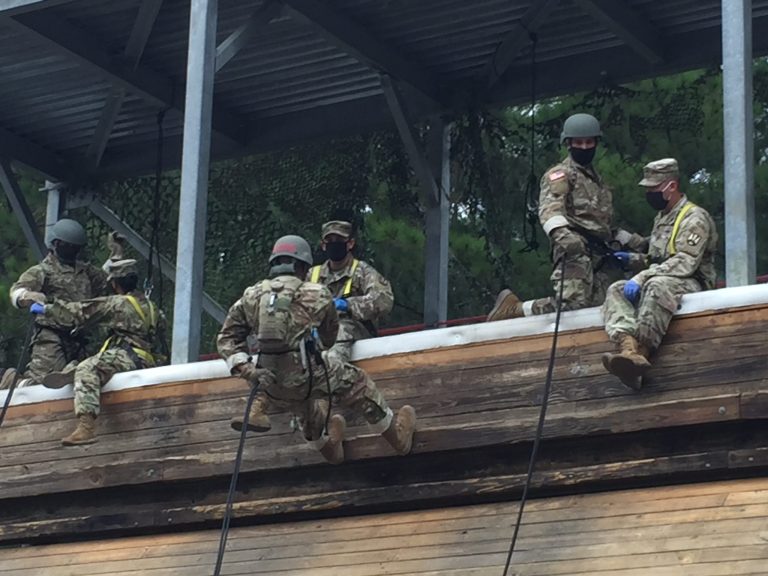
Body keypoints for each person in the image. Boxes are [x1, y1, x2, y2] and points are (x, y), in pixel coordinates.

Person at [217, 235, 415, 465]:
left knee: (304, 405)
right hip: (307, 375)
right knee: (358, 383)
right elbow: (330, 339)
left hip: (266, 383)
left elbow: (226, 339)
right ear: (302, 266)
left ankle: (330, 450)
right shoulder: (317, 293)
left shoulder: (250, 295)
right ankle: (398, 439)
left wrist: (248, 370)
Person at [487, 113, 645, 321]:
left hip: (600, 255)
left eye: (589, 142)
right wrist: (568, 240)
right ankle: (515, 309)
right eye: (579, 142)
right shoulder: (561, 175)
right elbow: (550, 211)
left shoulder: (598, 182)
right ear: (569, 144)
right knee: (572, 307)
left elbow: (604, 226)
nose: (585, 147)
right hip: (573, 251)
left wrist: (637, 242)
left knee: (599, 307)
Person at [601, 158, 717, 390]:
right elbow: (658, 260)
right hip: (664, 276)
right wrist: (633, 261)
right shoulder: (662, 218)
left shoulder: (694, 218)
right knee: (616, 289)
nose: (649, 193)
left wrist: (642, 277)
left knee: (656, 286)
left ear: (671, 186)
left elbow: (685, 262)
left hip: (693, 282)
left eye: (653, 188)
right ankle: (628, 348)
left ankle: (641, 354)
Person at [30, 256, 165, 445]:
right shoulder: (153, 308)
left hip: (129, 357)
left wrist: (47, 309)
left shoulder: (118, 303)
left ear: (115, 283)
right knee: (88, 362)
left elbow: (81, 311)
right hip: (147, 359)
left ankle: (86, 427)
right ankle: (73, 372)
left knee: (88, 368)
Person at [1, 219, 108, 390]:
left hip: (79, 338)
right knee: (44, 385)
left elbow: (107, 281)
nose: (73, 251)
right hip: (51, 337)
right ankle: (14, 381)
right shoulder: (43, 270)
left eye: (76, 247)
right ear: (56, 244)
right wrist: (28, 295)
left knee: (80, 382)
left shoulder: (85, 271)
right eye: (68, 246)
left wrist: (115, 256)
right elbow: (17, 290)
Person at [307, 220, 393, 364]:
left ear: (350, 243)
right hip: (318, 331)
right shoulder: (312, 275)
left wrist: (348, 305)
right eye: (330, 241)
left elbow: (383, 301)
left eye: (339, 240)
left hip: (353, 333)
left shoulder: (363, 272)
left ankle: (333, 371)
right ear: (323, 245)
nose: (334, 244)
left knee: (340, 328)